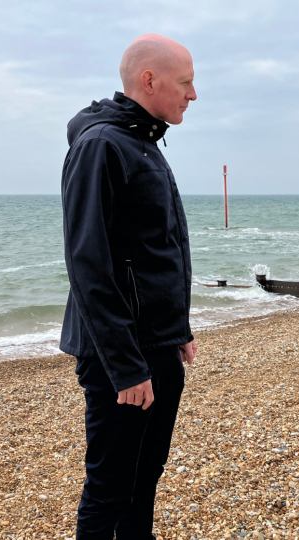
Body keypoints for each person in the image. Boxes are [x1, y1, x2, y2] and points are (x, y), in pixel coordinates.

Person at [59, 34, 198, 539]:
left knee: (144, 479)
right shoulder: (102, 146)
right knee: (110, 488)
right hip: (122, 356)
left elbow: (154, 249)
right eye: (185, 83)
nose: (193, 94)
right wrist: (124, 368)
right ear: (149, 80)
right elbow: (89, 263)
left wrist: (175, 328)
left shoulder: (142, 140)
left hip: (154, 343)